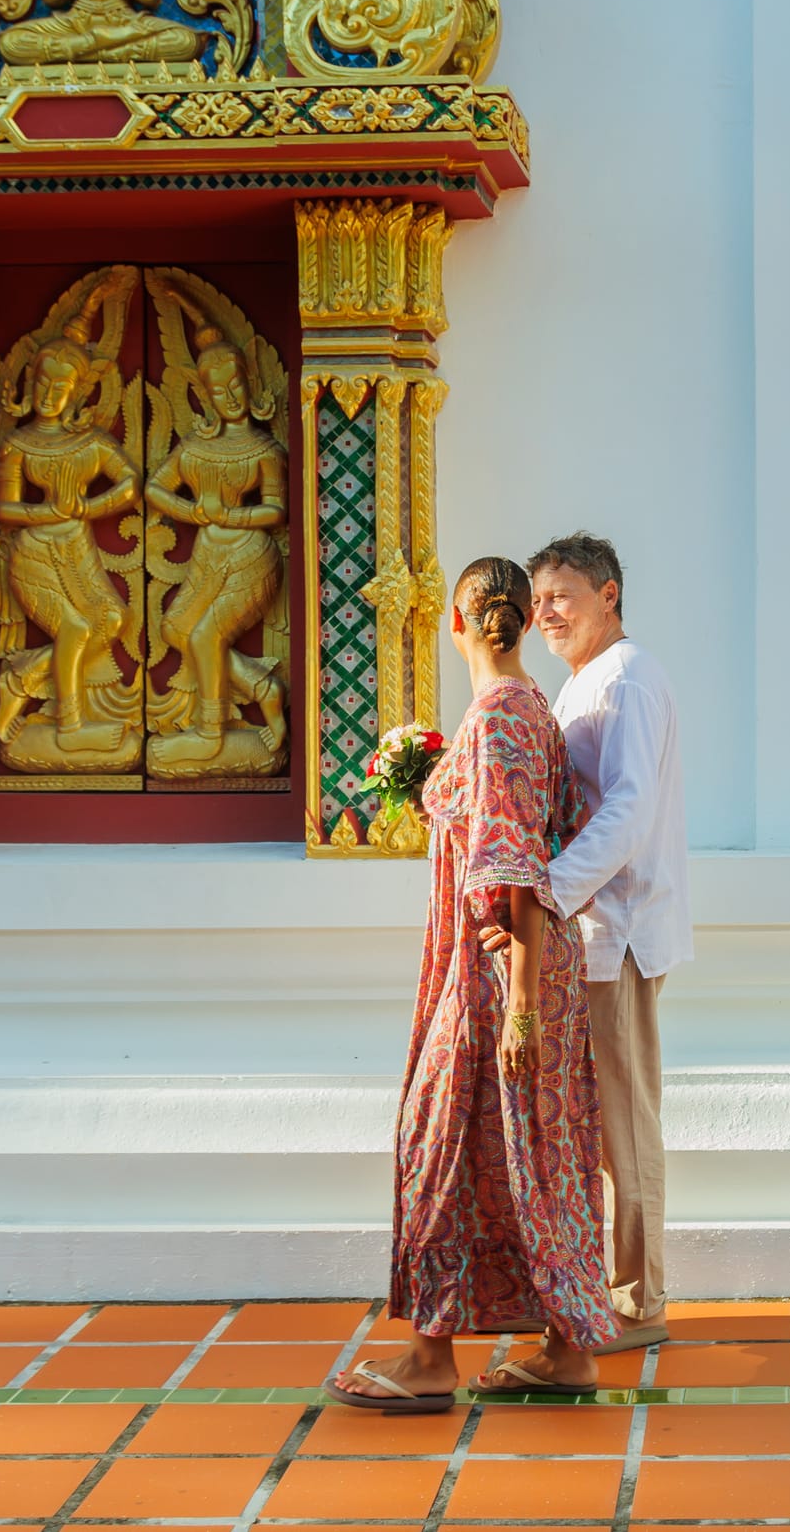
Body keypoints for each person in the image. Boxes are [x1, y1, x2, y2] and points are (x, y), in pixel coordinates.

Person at [328, 558, 619, 1413]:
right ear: (525, 621)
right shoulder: (534, 711)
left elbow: (512, 865)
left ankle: (429, 1358)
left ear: (457, 626)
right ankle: (566, 1349)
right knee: (541, 1148)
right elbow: (553, 838)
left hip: (500, 971)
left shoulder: (496, 720)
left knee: (439, 1141)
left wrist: (519, 1007)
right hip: (539, 962)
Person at [484, 533, 691, 1360]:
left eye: (563, 595)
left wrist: (550, 891)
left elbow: (629, 810)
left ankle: (640, 1301)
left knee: (624, 1128)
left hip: (620, 932)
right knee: (592, 1127)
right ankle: (600, 1289)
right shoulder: (581, 686)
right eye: (538, 601)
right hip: (583, 936)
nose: (546, 613)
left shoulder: (629, 677)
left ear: (610, 593)